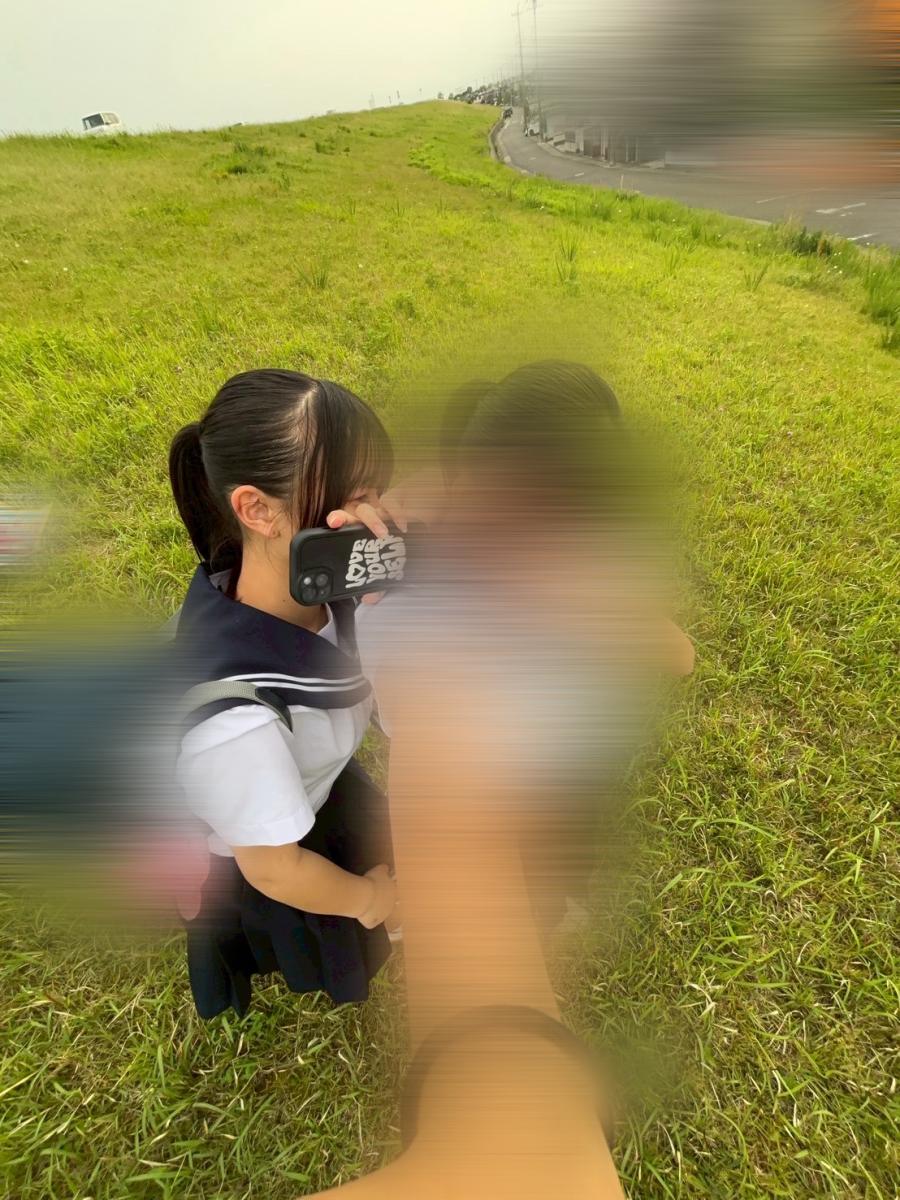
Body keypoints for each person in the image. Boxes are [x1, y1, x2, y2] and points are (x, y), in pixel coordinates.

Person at [168, 369, 404, 1019]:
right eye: (353, 496)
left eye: (377, 492)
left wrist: (395, 575)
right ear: (257, 510)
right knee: (345, 917)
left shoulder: (315, 582)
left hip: (318, 780)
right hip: (277, 848)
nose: (372, 517)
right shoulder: (237, 726)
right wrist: (369, 901)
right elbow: (273, 868)